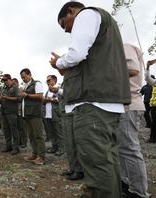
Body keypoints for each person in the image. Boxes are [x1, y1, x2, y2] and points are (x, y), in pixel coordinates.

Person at [49, 2, 131, 198]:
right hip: (105, 100)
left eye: (64, 24)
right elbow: (87, 61)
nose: (67, 30)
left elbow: (76, 54)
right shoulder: (104, 26)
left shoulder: (86, 15)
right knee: (106, 160)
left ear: (71, 11)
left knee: (96, 162)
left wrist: (58, 62)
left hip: (93, 102)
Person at [116, 44, 150, 198]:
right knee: (123, 148)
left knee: (129, 148)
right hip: (122, 105)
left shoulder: (124, 46)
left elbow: (133, 70)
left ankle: (139, 192)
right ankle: (127, 183)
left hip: (129, 104)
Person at [19, 68, 46, 165]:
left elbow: (40, 96)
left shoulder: (37, 83)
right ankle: (34, 154)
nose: (23, 79)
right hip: (27, 115)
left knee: (38, 135)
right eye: (21, 78)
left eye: (24, 77)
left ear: (29, 74)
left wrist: (27, 95)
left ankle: (41, 157)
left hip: (35, 114)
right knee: (31, 136)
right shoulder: (25, 86)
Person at [0, 74, 21, 155]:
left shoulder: (15, 88)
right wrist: (0, 99)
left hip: (12, 113)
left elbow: (18, 98)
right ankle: (9, 146)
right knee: (6, 131)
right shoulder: (3, 89)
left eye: (6, 80)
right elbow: (3, 101)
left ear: (10, 79)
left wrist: (7, 98)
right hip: (4, 113)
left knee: (14, 130)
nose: (5, 82)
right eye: (3, 81)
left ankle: (16, 148)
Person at [43, 75, 63, 156]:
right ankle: (54, 147)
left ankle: (61, 149)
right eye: (47, 81)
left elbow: (61, 100)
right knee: (52, 133)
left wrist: (50, 99)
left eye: (49, 80)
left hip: (56, 114)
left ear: (54, 81)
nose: (47, 82)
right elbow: (44, 101)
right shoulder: (48, 91)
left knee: (58, 133)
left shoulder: (58, 89)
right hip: (48, 115)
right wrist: (44, 100)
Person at [12, 78, 27, 148]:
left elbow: (20, 98)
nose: (13, 85)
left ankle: (24, 142)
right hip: (15, 111)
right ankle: (20, 141)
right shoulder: (14, 89)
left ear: (17, 82)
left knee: (22, 128)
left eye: (14, 83)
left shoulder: (21, 88)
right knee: (17, 127)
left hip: (21, 110)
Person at [145, 59, 156, 143]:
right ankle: (153, 138)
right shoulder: (155, 83)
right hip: (154, 107)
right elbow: (147, 78)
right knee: (154, 123)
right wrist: (148, 67)